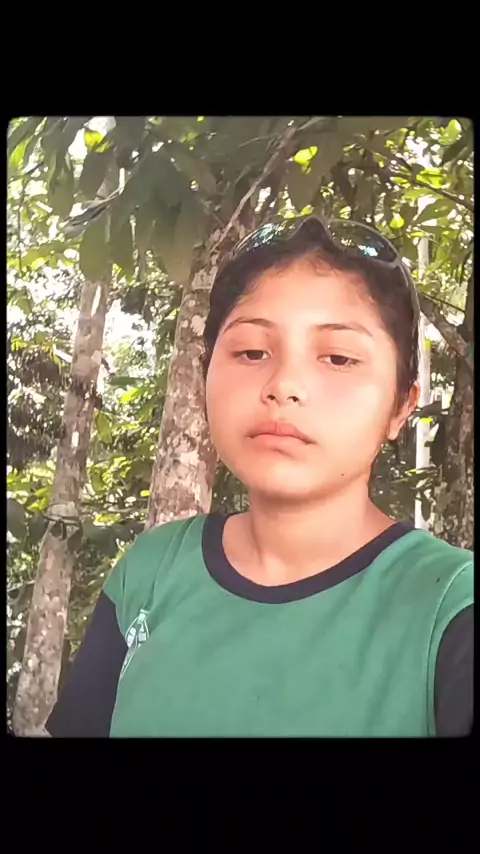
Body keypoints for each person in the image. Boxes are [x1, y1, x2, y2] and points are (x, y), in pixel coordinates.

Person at [46, 216, 473, 737]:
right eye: (252, 352)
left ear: (401, 406)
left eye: (339, 358)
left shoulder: (452, 607)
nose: (284, 384)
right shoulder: (151, 572)